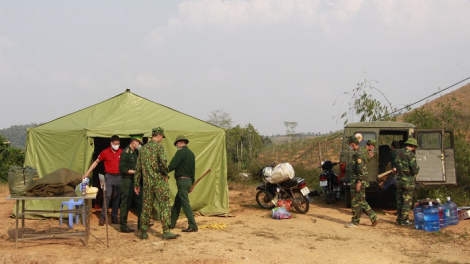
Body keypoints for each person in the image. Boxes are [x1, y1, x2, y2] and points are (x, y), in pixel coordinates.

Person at [134, 127, 179, 240]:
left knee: (146, 207)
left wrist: (136, 184)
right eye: (161, 137)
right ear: (159, 136)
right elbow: (163, 163)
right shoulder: (160, 147)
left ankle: (144, 231)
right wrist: (165, 173)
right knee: (164, 205)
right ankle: (166, 231)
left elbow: (138, 168)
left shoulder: (143, 149)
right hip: (159, 182)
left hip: (147, 184)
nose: (162, 140)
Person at [83, 135, 122, 226]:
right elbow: (96, 162)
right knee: (107, 196)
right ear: (111, 143)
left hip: (119, 177)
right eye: (115, 144)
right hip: (109, 177)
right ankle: (103, 217)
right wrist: (88, 172)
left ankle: (114, 217)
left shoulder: (122, 152)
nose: (117, 145)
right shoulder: (105, 152)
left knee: (117, 197)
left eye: (118, 144)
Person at [345, 135, 379, 228]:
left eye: (349, 144)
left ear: (352, 144)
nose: (349, 146)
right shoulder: (360, 152)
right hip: (360, 181)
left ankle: (355, 221)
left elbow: (361, 170)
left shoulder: (358, 154)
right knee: (361, 201)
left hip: (358, 181)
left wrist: (359, 182)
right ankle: (374, 217)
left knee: (356, 202)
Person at [168, 135, 198, 232]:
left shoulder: (180, 152)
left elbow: (172, 165)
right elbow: (193, 171)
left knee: (185, 203)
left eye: (176, 144)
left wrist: (163, 171)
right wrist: (192, 184)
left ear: (179, 143)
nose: (176, 146)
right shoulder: (191, 154)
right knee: (177, 203)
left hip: (182, 181)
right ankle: (171, 223)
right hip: (189, 181)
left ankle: (193, 225)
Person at [118, 134, 144, 233]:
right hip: (127, 181)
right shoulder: (126, 152)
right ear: (134, 142)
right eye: (139, 142)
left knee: (141, 201)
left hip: (135, 181)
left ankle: (141, 223)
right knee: (126, 203)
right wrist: (135, 171)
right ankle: (123, 225)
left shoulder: (135, 153)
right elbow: (122, 169)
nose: (140, 145)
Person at [393, 138, 420, 226]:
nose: (414, 148)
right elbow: (414, 169)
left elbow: (396, 165)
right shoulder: (411, 155)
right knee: (406, 202)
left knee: (400, 201)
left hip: (399, 181)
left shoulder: (398, 153)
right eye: (414, 147)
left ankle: (399, 219)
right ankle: (404, 220)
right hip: (408, 181)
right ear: (412, 146)